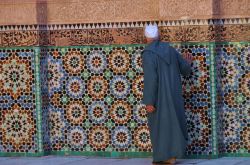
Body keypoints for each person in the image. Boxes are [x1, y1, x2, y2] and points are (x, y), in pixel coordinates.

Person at [142, 24, 193, 164]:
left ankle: (164, 157)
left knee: (159, 126)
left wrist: (149, 101)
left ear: (146, 37)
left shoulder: (148, 54)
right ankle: (172, 156)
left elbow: (151, 79)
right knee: (172, 124)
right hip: (174, 96)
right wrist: (188, 63)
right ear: (159, 36)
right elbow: (185, 70)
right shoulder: (170, 50)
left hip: (159, 98)